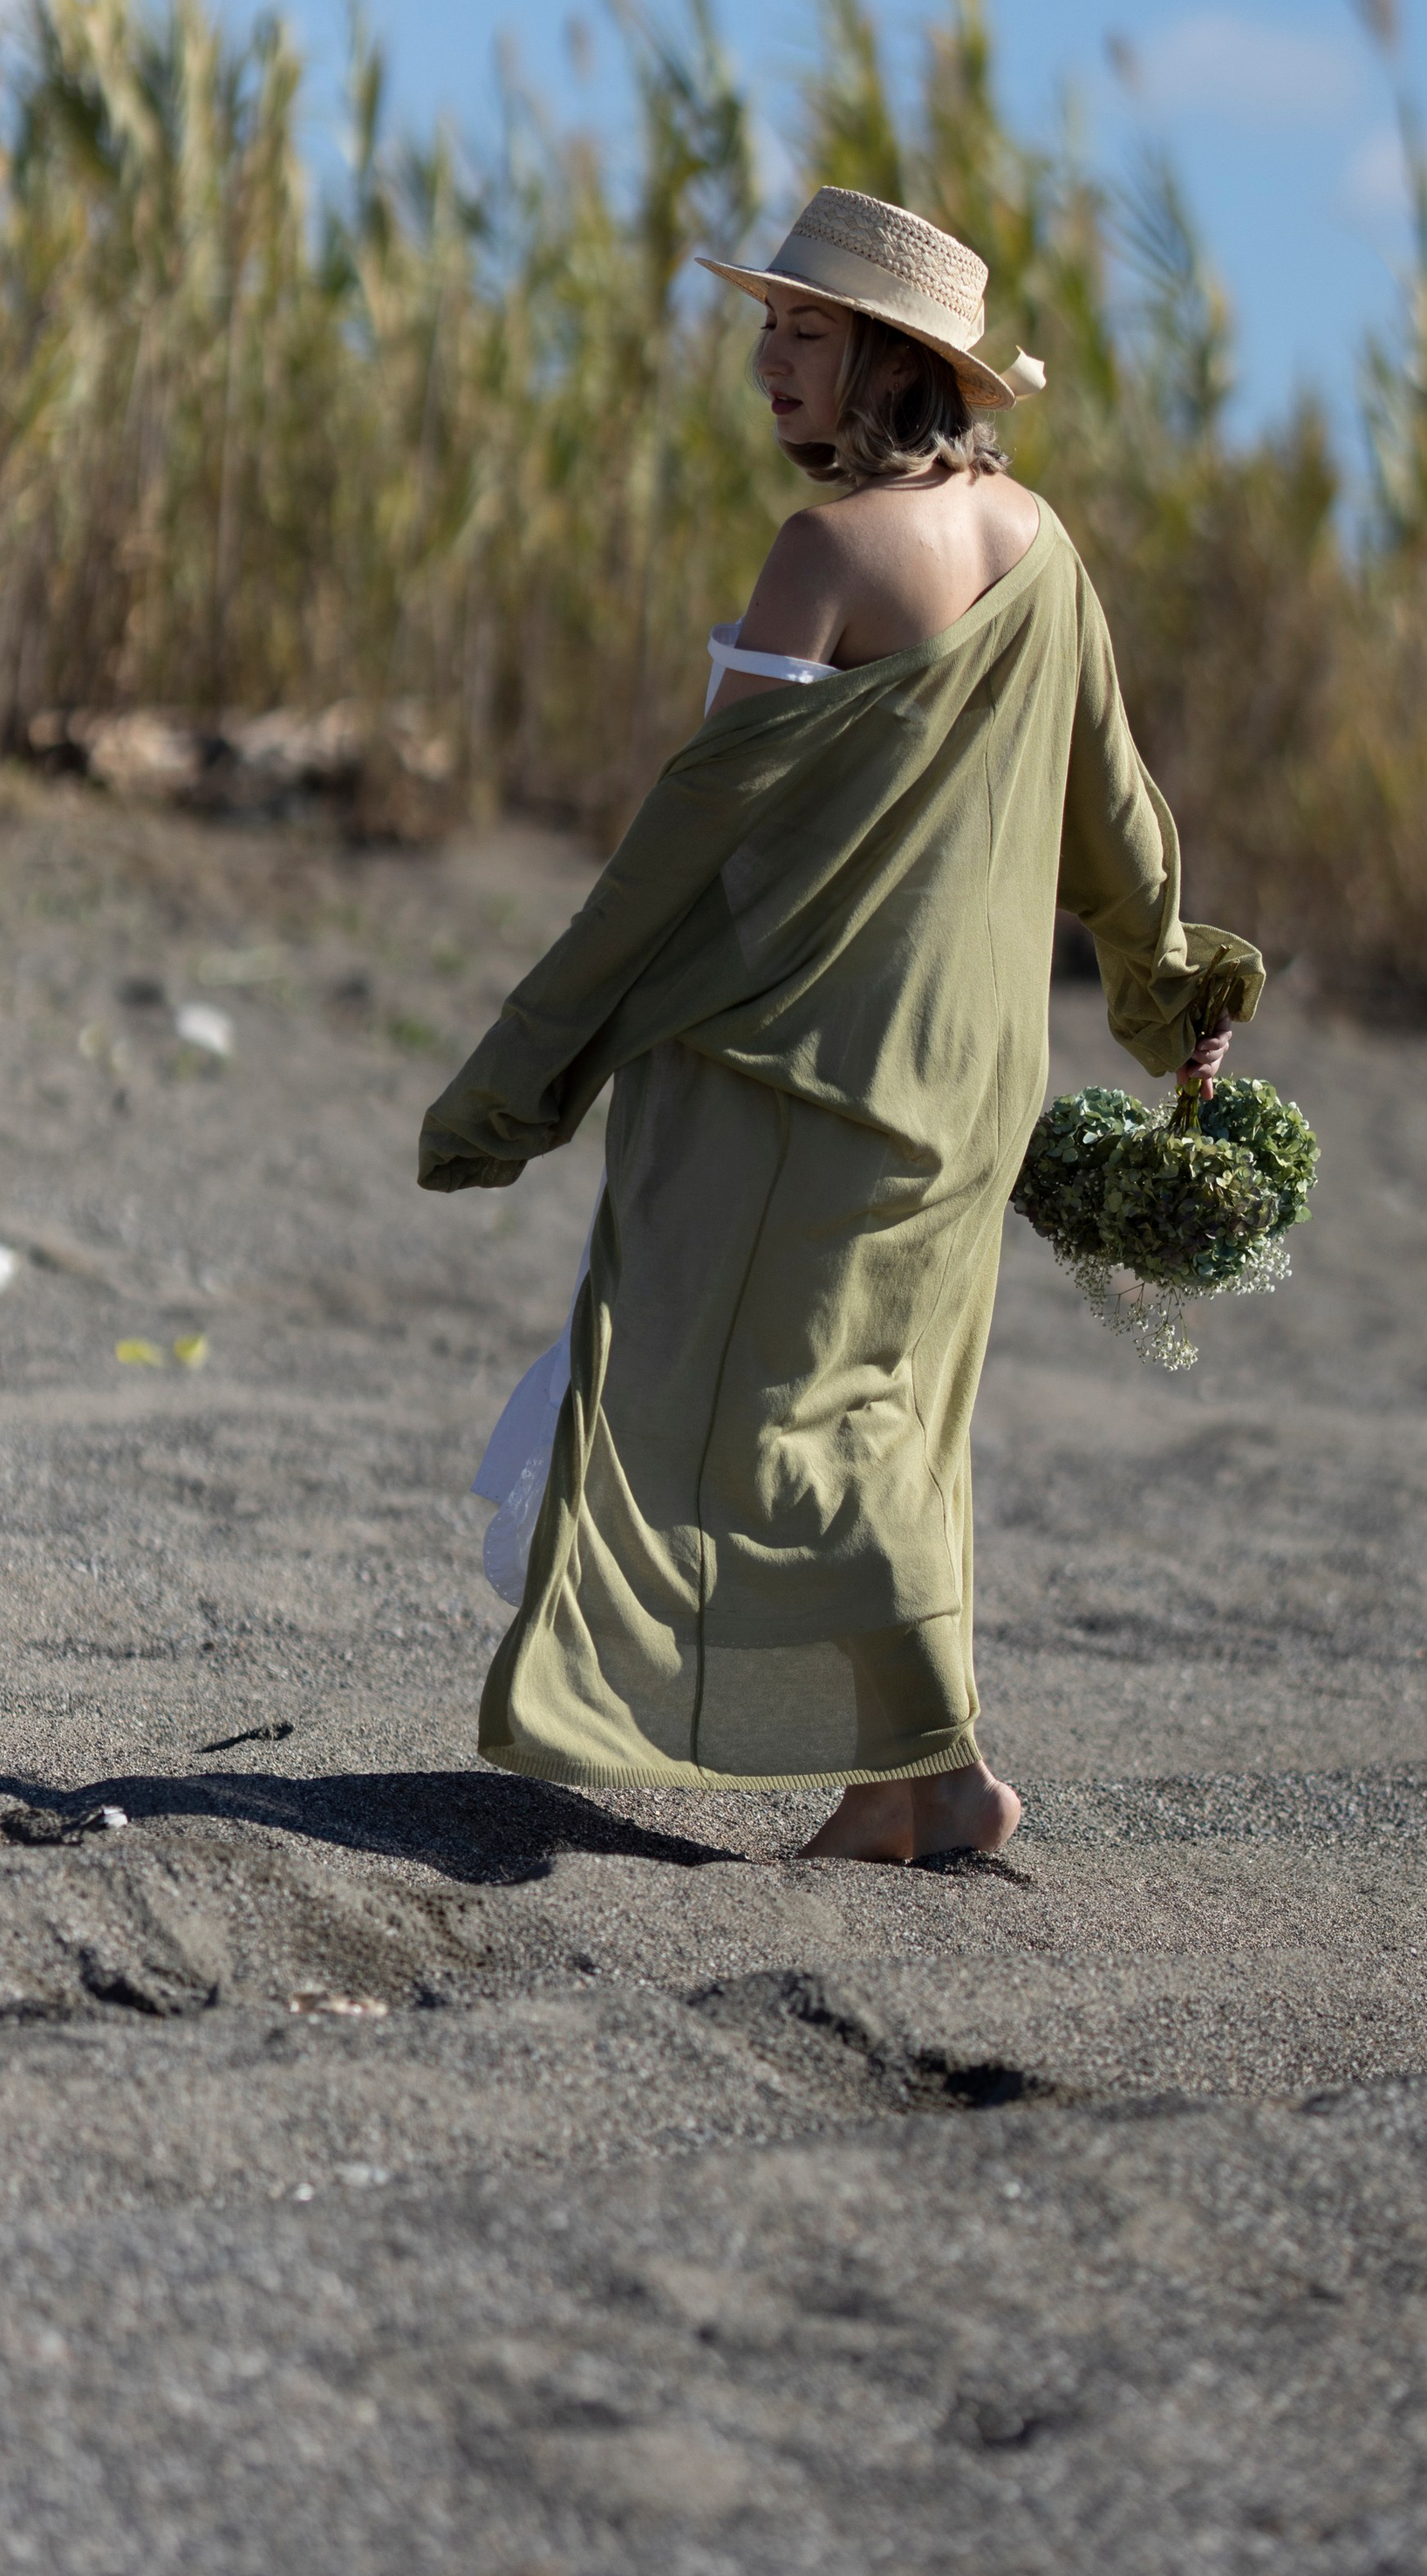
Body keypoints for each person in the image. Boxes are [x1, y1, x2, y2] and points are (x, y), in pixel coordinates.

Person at [420, 187, 1262, 1861]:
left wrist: (527, 1069)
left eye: (803, 335)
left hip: (801, 1058)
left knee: (749, 1398)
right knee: (883, 1404)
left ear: (894, 358)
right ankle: (906, 1777)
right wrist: (1173, 995)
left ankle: (934, 1760)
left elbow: (694, 836)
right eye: (767, 328)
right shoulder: (1043, 551)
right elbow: (1121, 819)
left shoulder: (824, 552)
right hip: (973, 1078)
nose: (766, 365)